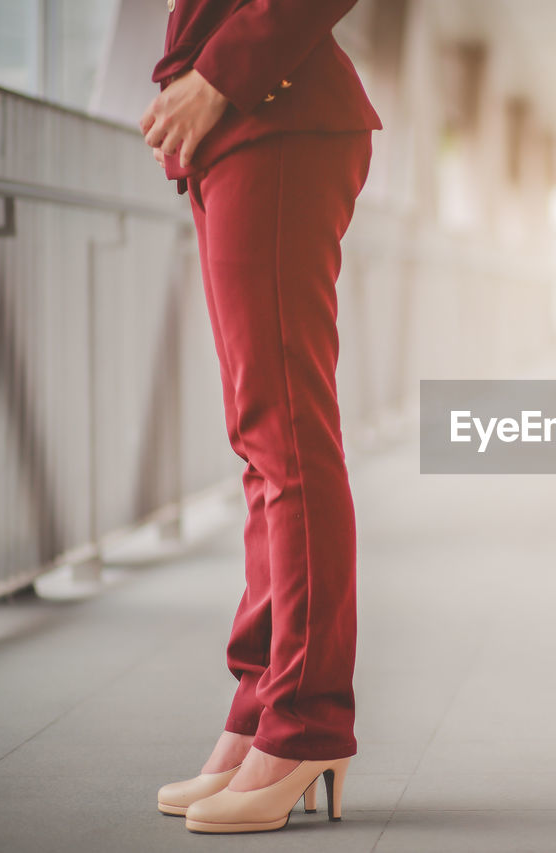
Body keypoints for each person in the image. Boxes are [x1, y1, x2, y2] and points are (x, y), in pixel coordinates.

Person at [139, 0, 381, 834]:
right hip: (237, 126)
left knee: (287, 440)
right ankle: (261, 709)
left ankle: (307, 722)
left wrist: (217, 75)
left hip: (270, 112)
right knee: (261, 444)